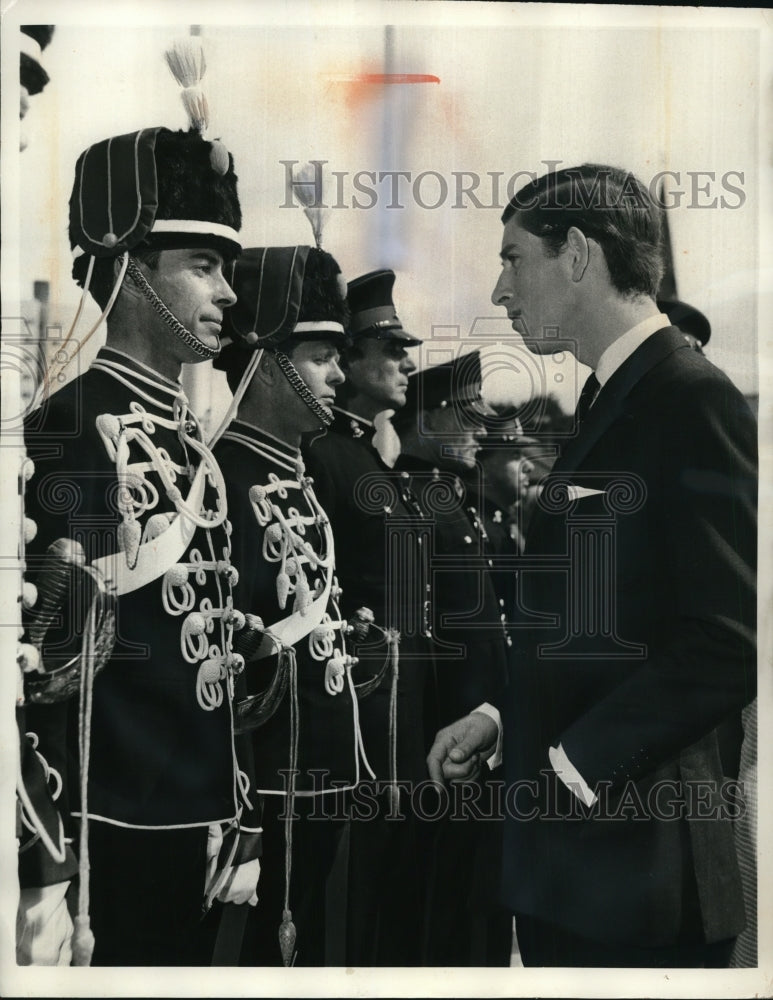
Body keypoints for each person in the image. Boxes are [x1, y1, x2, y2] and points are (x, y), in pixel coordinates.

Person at [427, 163, 757, 968]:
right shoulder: (617, 399)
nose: (501, 291)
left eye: (512, 259)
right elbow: (601, 623)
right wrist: (503, 721)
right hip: (589, 867)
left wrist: (574, 766)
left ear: (576, 254)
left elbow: (725, 641)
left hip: (635, 869)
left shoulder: (686, 396)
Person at [22, 69, 261, 965]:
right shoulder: (70, 425)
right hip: (110, 813)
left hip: (196, 799)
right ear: (129, 272)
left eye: (228, 268)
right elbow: (45, 657)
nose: (227, 294)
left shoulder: (189, 439)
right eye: (203, 266)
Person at [211, 244, 372, 966]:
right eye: (318, 356)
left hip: (323, 775)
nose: (340, 374)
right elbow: (221, 662)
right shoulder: (222, 476)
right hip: (270, 789)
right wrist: (242, 803)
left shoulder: (295, 476)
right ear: (267, 360)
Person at [303, 269, 434, 966]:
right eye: (390, 348)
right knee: (347, 898)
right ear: (348, 361)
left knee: (390, 888)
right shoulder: (322, 455)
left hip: (399, 718)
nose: (406, 362)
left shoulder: (367, 459)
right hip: (357, 722)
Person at [392, 352, 512, 966]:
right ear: (426, 417)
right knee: (441, 908)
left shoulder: (451, 497)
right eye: (465, 415)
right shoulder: (412, 498)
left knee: (475, 900)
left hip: (479, 733)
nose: (480, 428)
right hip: (446, 736)